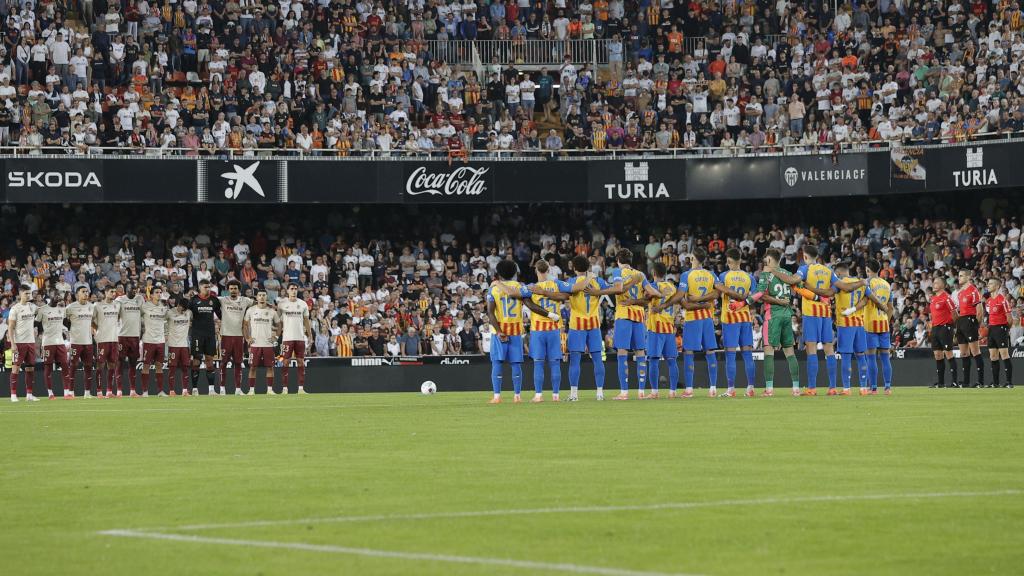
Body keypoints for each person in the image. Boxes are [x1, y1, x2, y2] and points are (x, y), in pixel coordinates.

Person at [770, 246, 864, 395]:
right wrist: (862, 282)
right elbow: (845, 287)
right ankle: (832, 387)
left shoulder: (805, 269)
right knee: (829, 350)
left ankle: (812, 388)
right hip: (825, 314)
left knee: (811, 349)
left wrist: (774, 270)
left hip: (811, 314)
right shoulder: (828, 271)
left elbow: (792, 280)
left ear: (805, 257)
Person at [531, 255, 607, 401]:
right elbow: (614, 290)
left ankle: (574, 394)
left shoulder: (571, 282)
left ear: (574, 268)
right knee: (597, 359)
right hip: (594, 324)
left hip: (577, 325)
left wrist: (545, 293)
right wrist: (597, 292)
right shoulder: (597, 281)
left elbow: (562, 296)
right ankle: (599, 393)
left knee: (575, 361)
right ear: (588, 267)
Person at [485, 260, 555, 403]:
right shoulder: (520, 287)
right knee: (516, 364)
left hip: (500, 331)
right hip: (516, 330)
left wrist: (498, 331)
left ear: (499, 273)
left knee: (497, 363)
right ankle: (517, 396)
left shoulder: (493, 289)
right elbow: (530, 305)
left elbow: (490, 313)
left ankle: (497, 396)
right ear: (514, 273)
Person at [655, 248, 719, 397]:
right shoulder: (711, 274)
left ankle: (689, 389)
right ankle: (713, 388)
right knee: (710, 351)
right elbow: (718, 292)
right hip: (708, 318)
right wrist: (704, 301)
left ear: (693, 259)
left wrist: (664, 305)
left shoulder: (687, 275)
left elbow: (680, 296)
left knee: (689, 352)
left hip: (693, 318)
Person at [606, 249, 659, 400]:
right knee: (640, 352)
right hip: (639, 316)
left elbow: (618, 289)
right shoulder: (640, 274)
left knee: (622, 352)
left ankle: (624, 392)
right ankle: (641, 392)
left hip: (623, 314)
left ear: (618, 260)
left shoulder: (618, 272)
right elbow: (653, 293)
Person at [755, 249, 801, 396]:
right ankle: (796, 388)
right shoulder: (787, 274)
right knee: (790, 352)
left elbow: (762, 296)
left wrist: (778, 301)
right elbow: (797, 289)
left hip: (772, 316)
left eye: (765, 259)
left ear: (769, 260)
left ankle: (769, 389)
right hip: (787, 316)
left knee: (768, 351)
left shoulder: (765, 274)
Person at [715, 248, 757, 397]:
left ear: (730, 261)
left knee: (730, 355)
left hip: (730, 319)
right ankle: (750, 388)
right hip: (745, 319)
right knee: (748, 355)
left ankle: (731, 389)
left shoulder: (724, 275)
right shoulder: (749, 277)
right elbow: (754, 297)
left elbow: (718, 290)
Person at [526, 260, 569, 402]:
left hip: (538, 330)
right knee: (555, 362)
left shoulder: (531, 287)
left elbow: (523, 299)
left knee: (538, 362)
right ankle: (555, 395)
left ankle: (538, 395)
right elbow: (566, 296)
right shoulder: (556, 284)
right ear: (549, 270)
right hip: (554, 329)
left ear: (536, 271)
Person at [645, 262, 680, 397]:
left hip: (655, 328)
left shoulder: (652, 287)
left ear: (654, 273)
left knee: (653, 361)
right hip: (669, 329)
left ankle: (654, 392)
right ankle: (673, 392)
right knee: (672, 361)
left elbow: (643, 299)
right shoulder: (672, 287)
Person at [834, 261, 869, 396]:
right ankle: (863, 388)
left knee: (846, 356)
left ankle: (847, 389)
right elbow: (867, 299)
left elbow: (829, 293)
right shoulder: (860, 282)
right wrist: (854, 309)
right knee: (861, 355)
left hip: (845, 324)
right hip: (859, 324)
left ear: (839, 272)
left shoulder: (839, 284)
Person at [861, 259, 894, 395]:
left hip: (870, 324)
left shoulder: (867, 283)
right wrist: (886, 320)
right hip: (884, 324)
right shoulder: (886, 284)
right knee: (885, 357)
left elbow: (862, 302)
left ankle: (873, 388)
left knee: (871, 357)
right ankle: (887, 388)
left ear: (868, 269)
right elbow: (891, 308)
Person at [187, 279, 222, 394]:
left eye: (209, 287)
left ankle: (211, 389)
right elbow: (187, 315)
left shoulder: (214, 300)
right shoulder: (193, 300)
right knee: (196, 360)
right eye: (205, 287)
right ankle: (195, 389)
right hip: (197, 334)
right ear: (200, 287)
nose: (208, 289)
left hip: (210, 334)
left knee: (209, 361)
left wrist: (219, 325)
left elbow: (220, 315)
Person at [219, 279, 253, 395]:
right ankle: (222, 389)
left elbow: (257, 303)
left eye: (235, 289)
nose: (233, 291)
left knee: (238, 363)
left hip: (239, 336)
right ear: (228, 290)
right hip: (226, 335)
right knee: (223, 362)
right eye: (231, 288)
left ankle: (238, 389)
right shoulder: (223, 300)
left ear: (239, 290)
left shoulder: (245, 300)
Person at [277, 283, 312, 394]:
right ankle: (284, 388)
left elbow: (306, 321)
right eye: (292, 289)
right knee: (284, 362)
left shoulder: (303, 304)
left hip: (300, 338)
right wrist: (276, 335)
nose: (294, 291)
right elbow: (278, 322)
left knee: (301, 362)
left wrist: (310, 335)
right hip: (286, 338)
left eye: (296, 289)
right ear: (287, 291)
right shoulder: (281, 304)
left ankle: (301, 388)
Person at [244, 289, 280, 395]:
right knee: (252, 367)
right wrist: (247, 338)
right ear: (257, 297)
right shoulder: (250, 310)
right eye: (260, 295)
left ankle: (269, 390)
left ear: (266, 297)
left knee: (270, 367)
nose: (262, 297)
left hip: (268, 344)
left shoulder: (272, 311)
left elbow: (279, 325)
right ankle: (251, 390)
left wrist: (276, 337)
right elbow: (245, 325)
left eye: (264, 295)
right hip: (255, 344)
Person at [8, 287, 39, 401]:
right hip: (19, 342)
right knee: (15, 368)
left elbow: (42, 310)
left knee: (30, 369)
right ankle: (13, 395)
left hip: (30, 342)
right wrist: (12, 343)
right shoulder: (15, 309)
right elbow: (11, 327)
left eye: (29, 294)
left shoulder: (32, 307)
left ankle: (29, 395)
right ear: (20, 294)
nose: (28, 296)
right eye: (26, 293)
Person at [37, 296, 71, 399]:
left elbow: (67, 322)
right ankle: (50, 393)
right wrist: (38, 333)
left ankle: (66, 392)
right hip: (47, 342)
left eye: (61, 299)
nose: (59, 300)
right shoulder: (42, 309)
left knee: (65, 364)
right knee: (48, 367)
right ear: (51, 299)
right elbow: (36, 323)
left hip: (60, 342)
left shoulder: (62, 310)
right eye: (57, 298)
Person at [927, 276, 958, 388]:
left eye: (936, 282)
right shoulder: (933, 299)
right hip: (935, 329)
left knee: (948, 354)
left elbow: (955, 314)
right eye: (933, 282)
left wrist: (951, 326)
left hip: (945, 328)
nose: (933, 284)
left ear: (942, 285)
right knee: (938, 355)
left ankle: (954, 382)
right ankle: (940, 383)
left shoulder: (947, 298)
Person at [954, 269, 984, 387]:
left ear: (968, 277)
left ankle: (980, 381)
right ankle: (966, 382)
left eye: (961, 276)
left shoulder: (973, 291)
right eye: (959, 275)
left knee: (975, 352)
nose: (959, 278)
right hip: (961, 322)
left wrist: (976, 325)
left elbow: (980, 311)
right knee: (964, 353)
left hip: (970, 321)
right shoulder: (960, 292)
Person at [66, 286, 98, 398]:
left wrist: (97, 330)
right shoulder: (70, 307)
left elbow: (93, 321)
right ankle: (70, 392)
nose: (86, 294)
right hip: (76, 342)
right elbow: (65, 321)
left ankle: (87, 393)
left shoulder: (92, 307)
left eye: (87, 292)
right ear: (77, 294)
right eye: (83, 292)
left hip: (88, 342)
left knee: (88, 366)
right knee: (73, 366)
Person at [984, 277, 1014, 388]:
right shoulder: (988, 301)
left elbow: (1009, 319)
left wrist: (1005, 329)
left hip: (1001, 329)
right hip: (991, 329)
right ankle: (995, 383)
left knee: (1004, 355)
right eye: (988, 284)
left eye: (991, 284)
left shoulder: (1002, 300)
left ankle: (1009, 382)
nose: (988, 285)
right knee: (993, 356)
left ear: (997, 286)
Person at [116, 284, 145, 397]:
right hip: (122, 335)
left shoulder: (140, 299)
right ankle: (119, 390)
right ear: (126, 290)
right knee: (120, 363)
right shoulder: (120, 300)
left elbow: (143, 313)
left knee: (133, 363)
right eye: (132, 289)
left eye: (135, 290)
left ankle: (132, 390)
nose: (134, 292)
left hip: (135, 336)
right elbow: (115, 315)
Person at [93, 286, 122, 397]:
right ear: (106, 292)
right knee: (100, 365)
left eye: (115, 292)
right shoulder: (98, 306)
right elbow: (91, 321)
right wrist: (98, 330)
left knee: (112, 365)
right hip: (102, 340)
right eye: (111, 291)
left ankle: (109, 391)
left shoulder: (117, 305)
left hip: (114, 339)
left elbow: (118, 318)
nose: (114, 293)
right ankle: (99, 391)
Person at [141, 285, 169, 396]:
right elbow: (137, 317)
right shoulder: (145, 306)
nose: (159, 294)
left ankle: (160, 391)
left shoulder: (163, 308)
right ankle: (145, 391)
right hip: (148, 340)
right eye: (156, 292)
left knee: (159, 365)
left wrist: (166, 334)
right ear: (151, 295)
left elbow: (167, 322)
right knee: (146, 365)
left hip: (160, 340)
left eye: (160, 292)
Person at [166, 296, 194, 396]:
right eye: (181, 309)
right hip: (173, 344)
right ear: (178, 305)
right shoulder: (169, 312)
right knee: (172, 368)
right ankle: (171, 391)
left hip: (184, 345)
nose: (182, 312)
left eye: (184, 310)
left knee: (185, 368)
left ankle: (185, 391)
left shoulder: (189, 312)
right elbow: (162, 322)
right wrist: (165, 334)